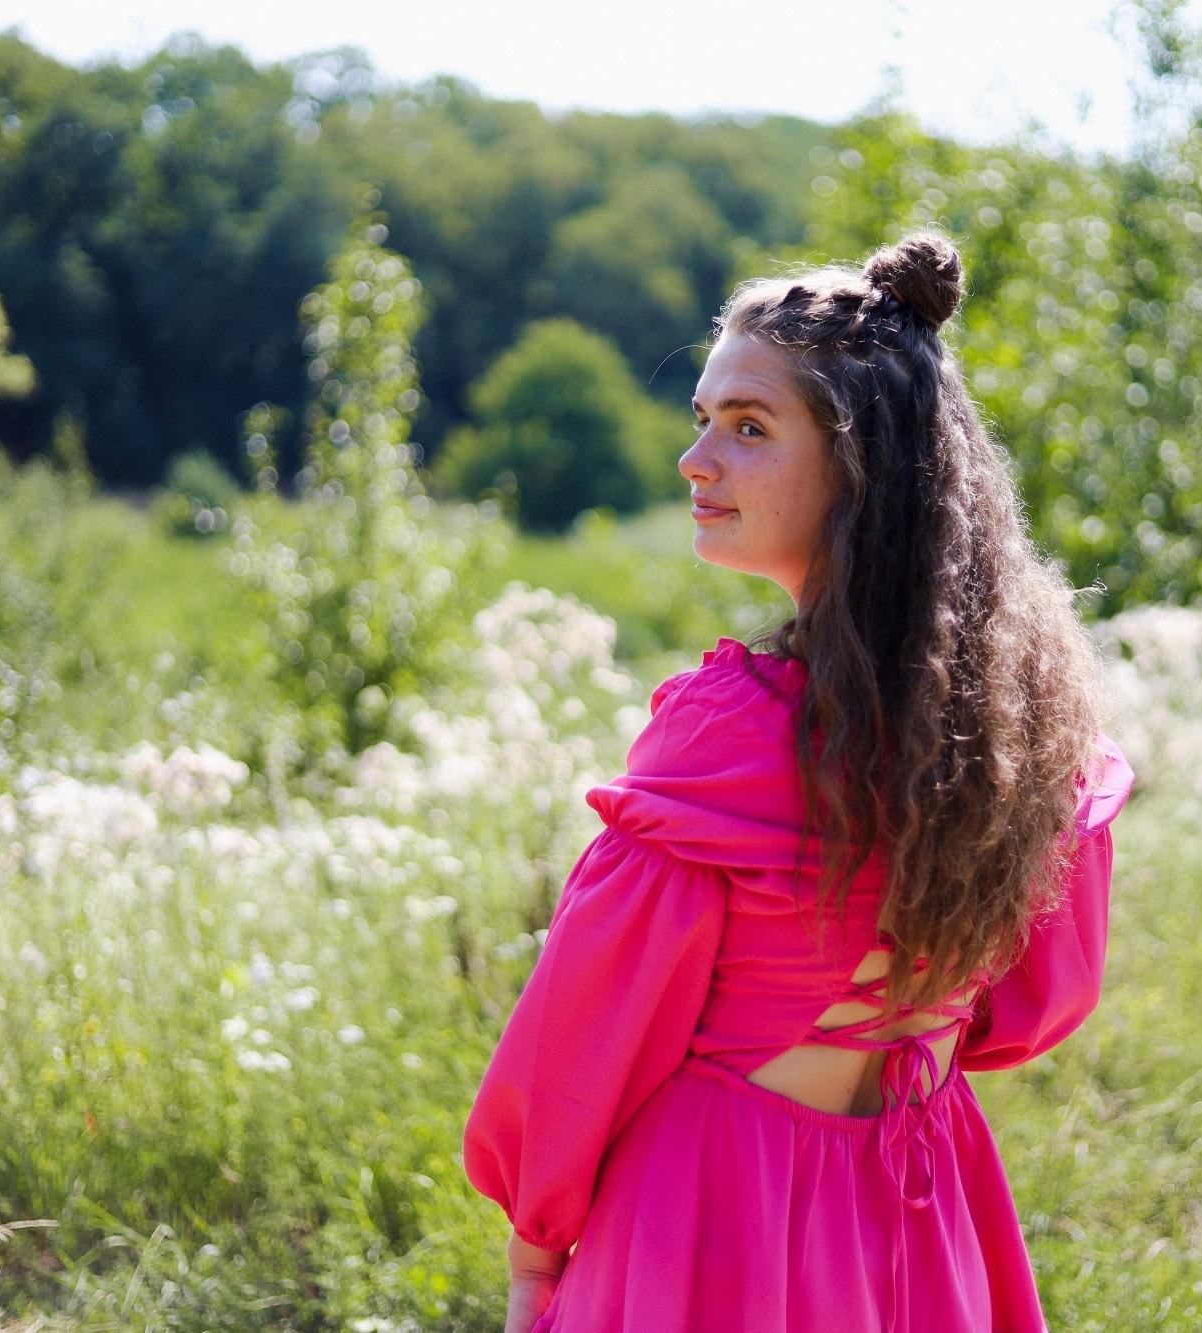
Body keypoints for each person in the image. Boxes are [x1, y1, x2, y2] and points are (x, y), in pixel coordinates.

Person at [462, 230, 1136, 1332]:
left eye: (748, 427)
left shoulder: (731, 738)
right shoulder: (1024, 729)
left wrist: (537, 1245)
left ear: (861, 465)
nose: (696, 460)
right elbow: (1032, 1006)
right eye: (701, 420)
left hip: (715, 1221)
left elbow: (583, 1033)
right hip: (919, 1211)